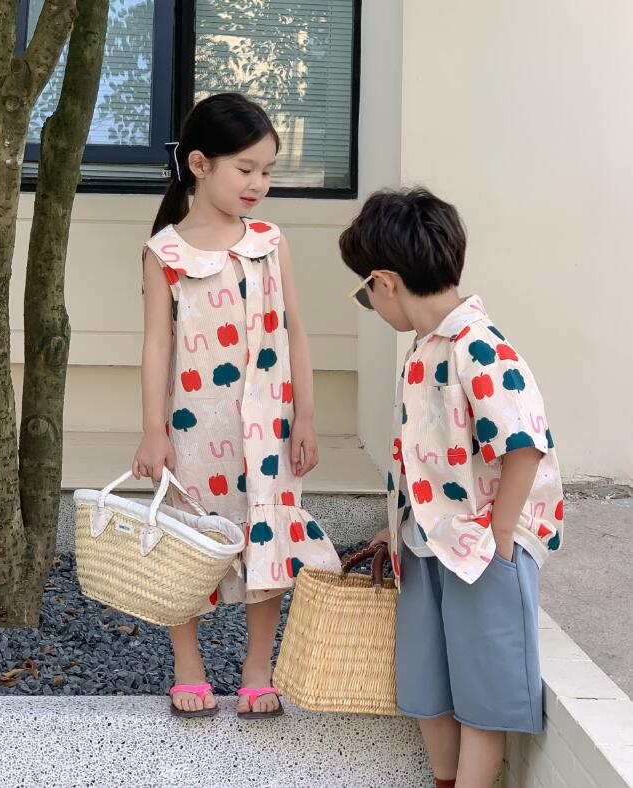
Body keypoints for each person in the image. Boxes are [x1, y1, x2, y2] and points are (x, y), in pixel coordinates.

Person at [339, 188, 563, 788]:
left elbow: (523, 442)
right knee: (426, 685)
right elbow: (426, 453)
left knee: (485, 692)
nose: (370, 303)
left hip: (482, 547)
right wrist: (395, 526)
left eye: (365, 292)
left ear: (386, 282)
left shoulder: (478, 346)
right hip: (427, 541)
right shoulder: (427, 348)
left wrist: (502, 535)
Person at [132, 93, 341, 720]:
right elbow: (155, 345)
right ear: (200, 164)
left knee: (267, 535)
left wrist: (306, 416)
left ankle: (257, 668)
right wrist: (152, 431)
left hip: (269, 426)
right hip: (194, 428)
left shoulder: (270, 242)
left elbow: (296, 331)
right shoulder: (164, 253)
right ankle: (188, 666)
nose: (259, 184)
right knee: (188, 539)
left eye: (267, 171)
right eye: (245, 169)